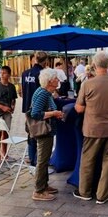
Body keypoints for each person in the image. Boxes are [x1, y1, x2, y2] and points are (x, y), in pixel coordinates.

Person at [73, 51, 108, 204]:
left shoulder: (87, 84)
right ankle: (102, 195)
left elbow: (79, 109)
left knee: (88, 160)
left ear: (94, 65)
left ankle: (85, 192)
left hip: (93, 128)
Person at [29, 68, 64, 201]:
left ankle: (44, 185)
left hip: (47, 130)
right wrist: (54, 113)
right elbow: (35, 113)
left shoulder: (46, 92)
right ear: (50, 81)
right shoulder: (44, 93)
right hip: (44, 131)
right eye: (56, 78)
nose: (58, 80)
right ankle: (38, 191)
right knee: (43, 161)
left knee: (44, 158)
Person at [22, 52, 48, 167]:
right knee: (40, 134)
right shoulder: (41, 74)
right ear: (45, 61)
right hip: (38, 108)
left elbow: (22, 92)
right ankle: (37, 162)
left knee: (30, 134)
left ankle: (32, 159)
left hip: (27, 107)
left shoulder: (25, 73)